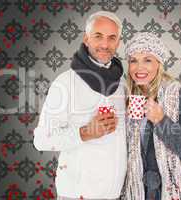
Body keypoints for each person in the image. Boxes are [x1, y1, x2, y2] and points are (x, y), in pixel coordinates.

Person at [33, 11, 127, 200]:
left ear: (118, 42)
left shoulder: (122, 84)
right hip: (76, 194)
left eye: (112, 38)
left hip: (115, 194)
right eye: (98, 36)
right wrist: (85, 132)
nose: (105, 44)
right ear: (86, 38)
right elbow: (41, 139)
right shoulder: (65, 83)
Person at [122, 32, 181, 200]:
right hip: (133, 192)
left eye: (147, 60)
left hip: (168, 192)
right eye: (133, 60)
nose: (139, 68)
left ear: (159, 64)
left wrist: (161, 121)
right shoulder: (126, 97)